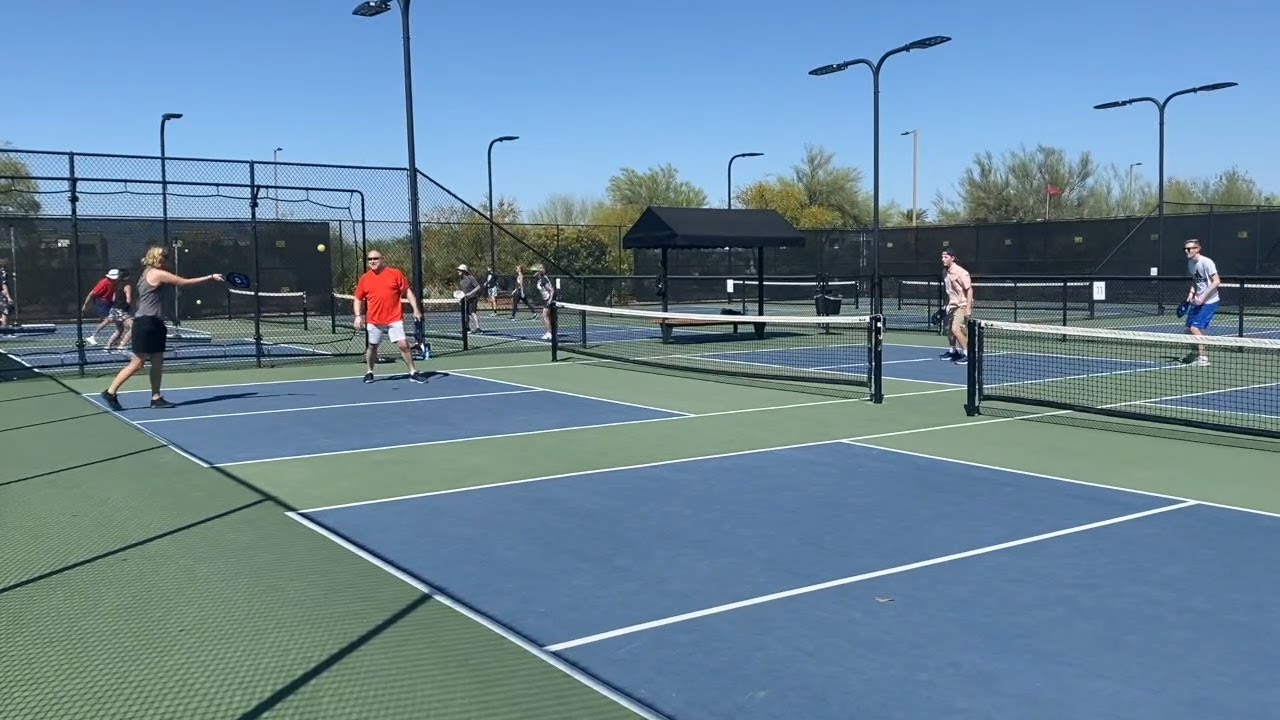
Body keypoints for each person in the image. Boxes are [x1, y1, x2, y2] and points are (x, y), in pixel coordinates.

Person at [100, 247, 224, 410]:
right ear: (158, 259)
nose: (167, 260)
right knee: (137, 363)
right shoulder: (155, 273)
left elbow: (154, 300)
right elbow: (184, 283)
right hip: (146, 324)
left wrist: (171, 316)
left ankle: (156, 398)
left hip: (155, 323)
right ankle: (110, 392)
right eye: (165, 258)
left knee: (158, 361)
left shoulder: (147, 273)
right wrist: (211, 277)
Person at [353, 251, 426, 384]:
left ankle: (413, 372)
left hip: (394, 318)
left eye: (375, 259)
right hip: (374, 319)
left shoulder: (395, 273)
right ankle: (369, 371)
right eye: (370, 259)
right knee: (372, 346)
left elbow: (408, 292)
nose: (372, 261)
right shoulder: (365, 278)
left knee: (404, 344)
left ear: (382, 259)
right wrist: (358, 316)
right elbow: (358, 298)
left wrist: (416, 309)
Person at [1182, 238, 1220, 366]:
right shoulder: (1190, 264)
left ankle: (1203, 358)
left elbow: (1216, 281)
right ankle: (1195, 352)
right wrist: (1191, 293)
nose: (1186, 251)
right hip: (1197, 300)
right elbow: (1196, 281)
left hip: (1210, 301)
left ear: (1197, 249)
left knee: (1195, 328)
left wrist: (1203, 297)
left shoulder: (1207, 262)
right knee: (1188, 329)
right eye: (1185, 249)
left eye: (1189, 249)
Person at [940, 249, 974, 364]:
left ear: (952, 258)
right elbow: (949, 291)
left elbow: (969, 290)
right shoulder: (945, 272)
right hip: (952, 305)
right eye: (942, 257)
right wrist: (945, 305)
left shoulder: (960, 272)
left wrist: (968, 308)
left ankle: (968, 354)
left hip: (961, 305)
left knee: (956, 329)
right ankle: (952, 351)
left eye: (945, 257)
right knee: (949, 331)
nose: (943, 259)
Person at [81, 269, 120, 346]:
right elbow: (92, 293)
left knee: (118, 321)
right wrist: (86, 305)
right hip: (102, 302)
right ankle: (92, 336)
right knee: (108, 319)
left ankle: (116, 339)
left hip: (110, 302)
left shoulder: (117, 283)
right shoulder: (104, 282)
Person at [103, 268, 134, 353]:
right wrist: (129, 306)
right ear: (127, 277)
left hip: (114, 309)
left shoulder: (117, 286)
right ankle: (122, 345)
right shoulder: (127, 286)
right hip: (121, 309)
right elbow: (128, 299)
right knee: (134, 327)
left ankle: (108, 346)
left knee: (119, 330)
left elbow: (113, 298)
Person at [456, 264, 484, 333]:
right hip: (466, 299)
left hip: (473, 298)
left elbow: (478, 287)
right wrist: (459, 296)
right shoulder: (461, 280)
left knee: (473, 312)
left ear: (464, 271)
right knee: (466, 313)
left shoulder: (471, 278)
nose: (458, 271)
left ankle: (478, 328)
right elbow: (463, 290)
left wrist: (471, 293)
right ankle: (467, 327)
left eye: (460, 270)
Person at [533, 264, 556, 340]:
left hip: (549, 299)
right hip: (545, 299)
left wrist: (550, 300)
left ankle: (550, 333)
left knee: (545, 315)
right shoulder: (541, 279)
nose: (535, 273)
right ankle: (549, 332)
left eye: (536, 271)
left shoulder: (543, 279)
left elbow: (552, 290)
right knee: (546, 316)